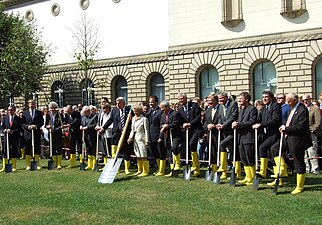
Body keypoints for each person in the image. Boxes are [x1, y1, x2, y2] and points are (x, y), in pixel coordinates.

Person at [271, 92, 312, 194]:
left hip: (298, 139)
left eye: (289, 101)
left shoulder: (302, 110)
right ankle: (282, 172)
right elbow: (289, 121)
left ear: (295, 100)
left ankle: (299, 186)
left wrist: (287, 128)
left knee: (298, 160)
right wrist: (284, 127)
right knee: (275, 149)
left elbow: (300, 126)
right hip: (288, 136)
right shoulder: (292, 108)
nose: (288, 103)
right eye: (287, 101)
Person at [252, 90, 282, 180]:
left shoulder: (275, 106)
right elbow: (260, 120)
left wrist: (261, 124)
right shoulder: (264, 108)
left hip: (274, 133)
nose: (264, 99)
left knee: (263, 148)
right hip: (266, 134)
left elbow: (275, 120)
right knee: (269, 152)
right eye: (263, 97)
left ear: (271, 98)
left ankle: (264, 171)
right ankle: (272, 172)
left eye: (266, 97)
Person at [100, 97, 133, 174]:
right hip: (116, 132)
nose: (117, 104)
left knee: (126, 150)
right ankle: (115, 167)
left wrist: (132, 118)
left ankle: (126, 168)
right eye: (116, 103)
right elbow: (110, 120)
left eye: (119, 103)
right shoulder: (114, 111)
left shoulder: (129, 110)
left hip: (126, 133)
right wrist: (103, 128)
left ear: (123, 103)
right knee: (114, 149)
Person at [232, 92, 257, 185]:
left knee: (249, 157)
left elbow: (251, 121)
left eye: (241, 98)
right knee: (243, 157)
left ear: (246, 99)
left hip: (248, 137)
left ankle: (253, 176)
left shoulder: (252, 109)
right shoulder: (241, 109)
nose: (239, 100)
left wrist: (239, 124)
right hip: (240, 137)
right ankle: (247, 176)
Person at [176, 93, 203, 176]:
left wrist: (190, 124)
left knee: (192, 144)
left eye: (182, 99)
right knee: (191, 146)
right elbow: (180, 120)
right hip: (187, 131)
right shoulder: (180, 109)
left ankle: (195, 166)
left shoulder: (194, 105)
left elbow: (198, 117)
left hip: (196, 129)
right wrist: (183, 125)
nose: (181, 100)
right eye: (179, 99)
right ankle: (196, 167)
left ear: (185, 98)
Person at [216, 92, 239, 179]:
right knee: (232, 150)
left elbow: (233, 116)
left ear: (226, 98)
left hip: (233, 131)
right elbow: (219, 117)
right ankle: (226, 172)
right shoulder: (221, 106)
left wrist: (223, 125)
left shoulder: (233, 104)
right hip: (225, 131)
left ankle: (224, 167)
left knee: (223, 144)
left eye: (222, 98)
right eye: (219, 99)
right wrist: (218, 124)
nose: (220, 100)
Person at [158, 100, 182, 177]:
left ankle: (178, 163)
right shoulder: (162, 115)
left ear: (167, 107)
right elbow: (161, 126)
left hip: (175, 136)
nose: (161, 109)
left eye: (162, 108)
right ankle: (172, 170)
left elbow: (176, 123)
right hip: (167, 136)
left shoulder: (175, 113)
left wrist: (168, 126)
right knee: (169, 154)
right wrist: (160, 137)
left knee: (174, 148)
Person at [128, 103, 150, 176]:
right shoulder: (133, 119)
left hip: (142, 140)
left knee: (143, 155)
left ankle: (145, 171)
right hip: (135, 140)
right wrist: (130, 137)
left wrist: (147, 140)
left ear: (140, 111)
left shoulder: (144, 119)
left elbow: (146, 131)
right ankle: (139, 170)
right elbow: (132, 129)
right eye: (134, 111)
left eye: (136, 111)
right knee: (138, 155)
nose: (135, 113)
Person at [21, 99, 44, 170]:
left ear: (35, 104)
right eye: (30, 104)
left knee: (37, 148)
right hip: (28, 133)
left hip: (36, 133)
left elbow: (41, 122)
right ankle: (28, 165)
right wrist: (28, 126)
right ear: (28, 104)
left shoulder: (39, 113)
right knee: (27, 149)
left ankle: (37, 164)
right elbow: (22, 123)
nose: (32, 105)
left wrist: (36, 126)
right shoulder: (25, 113)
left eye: (33, 104)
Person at [302, 94, 320, 174]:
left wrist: (313, 130)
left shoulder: (315, 108)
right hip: (303, 133)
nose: (305, 101)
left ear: (310, 99)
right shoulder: (302, 109)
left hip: (311, 133)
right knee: (305, 152)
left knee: (312, 151)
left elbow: (318, 122)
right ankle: (307, 168)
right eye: (303, 100)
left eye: (307, 99)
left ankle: (315, 169)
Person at [0, 105, 22, 172]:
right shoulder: (5, 118)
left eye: (11, 110)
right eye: (9, 110)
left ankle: (14, 166)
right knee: (5, 150)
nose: (10, 111)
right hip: (6, 137)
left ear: (14, 111)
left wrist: (12, 131)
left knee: (14, 150)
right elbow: (2, 127)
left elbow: (19, 129)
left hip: (14, 137)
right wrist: (4, 130)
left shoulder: (18, 119)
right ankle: (4, 166)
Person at [203, 94, 220, 173]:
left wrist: (216, 125)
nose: (210, 102)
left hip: (219, 133)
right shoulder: (208, 110)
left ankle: (222, 167)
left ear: (216, 101)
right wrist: (207, 125)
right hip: (210, 133)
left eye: (212, 100)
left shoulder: (221, 108)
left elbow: (223, 119)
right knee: (211, 150)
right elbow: (205, 121)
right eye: (209, 100)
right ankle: (213, 168)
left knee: (220, 150)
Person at [147, 95, 163, 175]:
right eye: (150, 102)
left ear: (156, 102)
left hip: (157, 134)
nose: (151, 104)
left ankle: (161, 168)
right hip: (151, 134)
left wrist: (160, 135)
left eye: (152, 102)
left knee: (159, 151)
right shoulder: (150, 111)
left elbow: (160, 123)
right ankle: (158, 167)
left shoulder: (160, 111)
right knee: (154, 152)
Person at [46, 102, 64, 169]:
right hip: (50, 133)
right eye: (51, 108)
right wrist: (48, 127)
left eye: (54, 108)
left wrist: (55, 129)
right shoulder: (48, 115)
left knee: (59, 147)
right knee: (52, 148)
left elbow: (62, 125)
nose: (52, 109)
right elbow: (46, 124)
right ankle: (53, 162)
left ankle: (59, 164)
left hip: (58, 133)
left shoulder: (60, 115)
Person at [80, 106, 98, 170]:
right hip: (85, 135)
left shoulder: (94, 116)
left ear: (88, 111)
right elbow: (82, 123)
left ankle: (94, 163)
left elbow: (94, 125)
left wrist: (87, 127)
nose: (84, 114)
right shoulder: (83, 117)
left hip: (92, 135)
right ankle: (89, 164)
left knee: (93, 149)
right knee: (88, 149)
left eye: (85, 112)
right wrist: (81, 126)